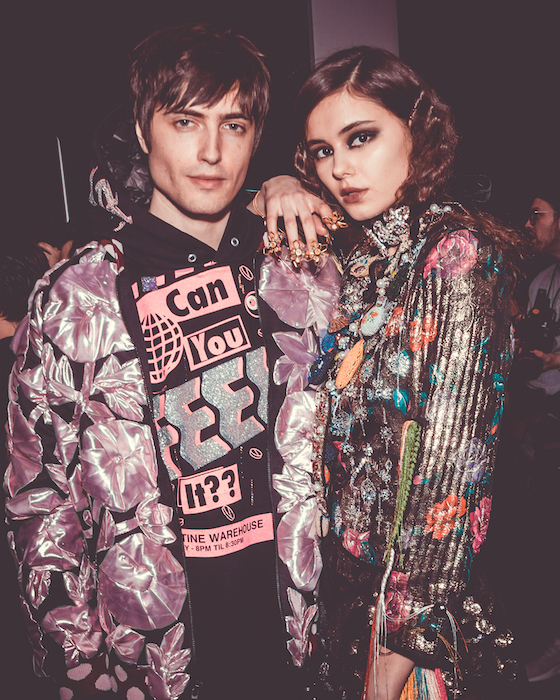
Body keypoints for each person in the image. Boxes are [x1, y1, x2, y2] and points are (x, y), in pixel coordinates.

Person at [4, 23, 340, 700]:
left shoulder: (305, 274)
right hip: (147, 662)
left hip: (301, 647)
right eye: (186, 121)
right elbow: (39, 496)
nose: (212, 151)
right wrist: (81, 664)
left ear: (256, 136)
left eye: (233, 125)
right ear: (143, 128)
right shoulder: (77, 296)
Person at [261, 46, 526, 700]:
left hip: (411, 631)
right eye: (322, 151)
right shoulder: (359, 258)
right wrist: (275, 186)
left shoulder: (457, 257)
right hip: (343, 601)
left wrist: (388, 669)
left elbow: (451, 480)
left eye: (361, 138)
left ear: (417, 128)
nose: (341, 167)